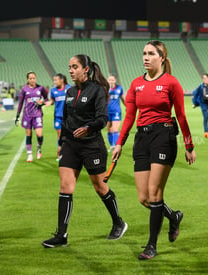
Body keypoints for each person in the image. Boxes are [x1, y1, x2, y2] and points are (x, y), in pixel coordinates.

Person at [112, 40, 196, 260]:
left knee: (154, 193)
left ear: (162, 57)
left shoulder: (171, 83)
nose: (146, 57)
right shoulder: (135, 84)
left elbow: (181, 116)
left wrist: (189, 145)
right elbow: (130, 116)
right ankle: (173, 216)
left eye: (151, 53)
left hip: (164, 136)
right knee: (144, 198)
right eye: (144, 53)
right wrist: (119, 143)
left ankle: (151, 245)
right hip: (142, 138)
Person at [42, 54, 128, 248]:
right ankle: (61, 235)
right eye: (69, 67)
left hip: (92, 146)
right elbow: (66, 119)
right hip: (71, 145)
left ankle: (118, 223)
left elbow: (103, 118)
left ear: (85, 70)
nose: (71, 71)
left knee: (100, 187)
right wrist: (61, 142)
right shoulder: (70, 91)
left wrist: (88, 128)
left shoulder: (98, 90)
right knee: (65, 187)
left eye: (75, 67)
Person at [15, 72, 48, 162]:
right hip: (27, 115)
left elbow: (46, 99)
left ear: (36, 78)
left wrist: (43, 103)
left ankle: (39, 148)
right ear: (27, 79)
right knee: (28, 135)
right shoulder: (24, 89)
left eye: (33, 78)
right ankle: (29, 155)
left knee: (39, 135)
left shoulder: (40, 88)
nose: (32, 80)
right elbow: (21, 103)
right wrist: (18, 115)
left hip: (37, 115)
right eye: (30, 78)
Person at [46, 73, 72, 149]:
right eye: (54, 80)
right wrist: (49, 102)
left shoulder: (69, 88)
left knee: (69, 135)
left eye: (56, 80)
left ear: (62, 80)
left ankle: (69, 151)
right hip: (58, 116)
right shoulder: (53, 90)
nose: (54, 82)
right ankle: (60, 151)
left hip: (68, 116)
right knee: (60, 135)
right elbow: (52, 100)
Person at [106, 74, 125, 151]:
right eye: (110, 80)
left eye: (112, 80)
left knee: (115, 129)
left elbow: (123, 98)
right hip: (107, 111)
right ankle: (111, 145)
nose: (111, 81)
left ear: (115, 80)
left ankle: (115, 146)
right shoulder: (105, 89)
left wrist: (127, 106)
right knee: (109, 129)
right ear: (107, 81)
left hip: (116, 111)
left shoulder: (119, 89)